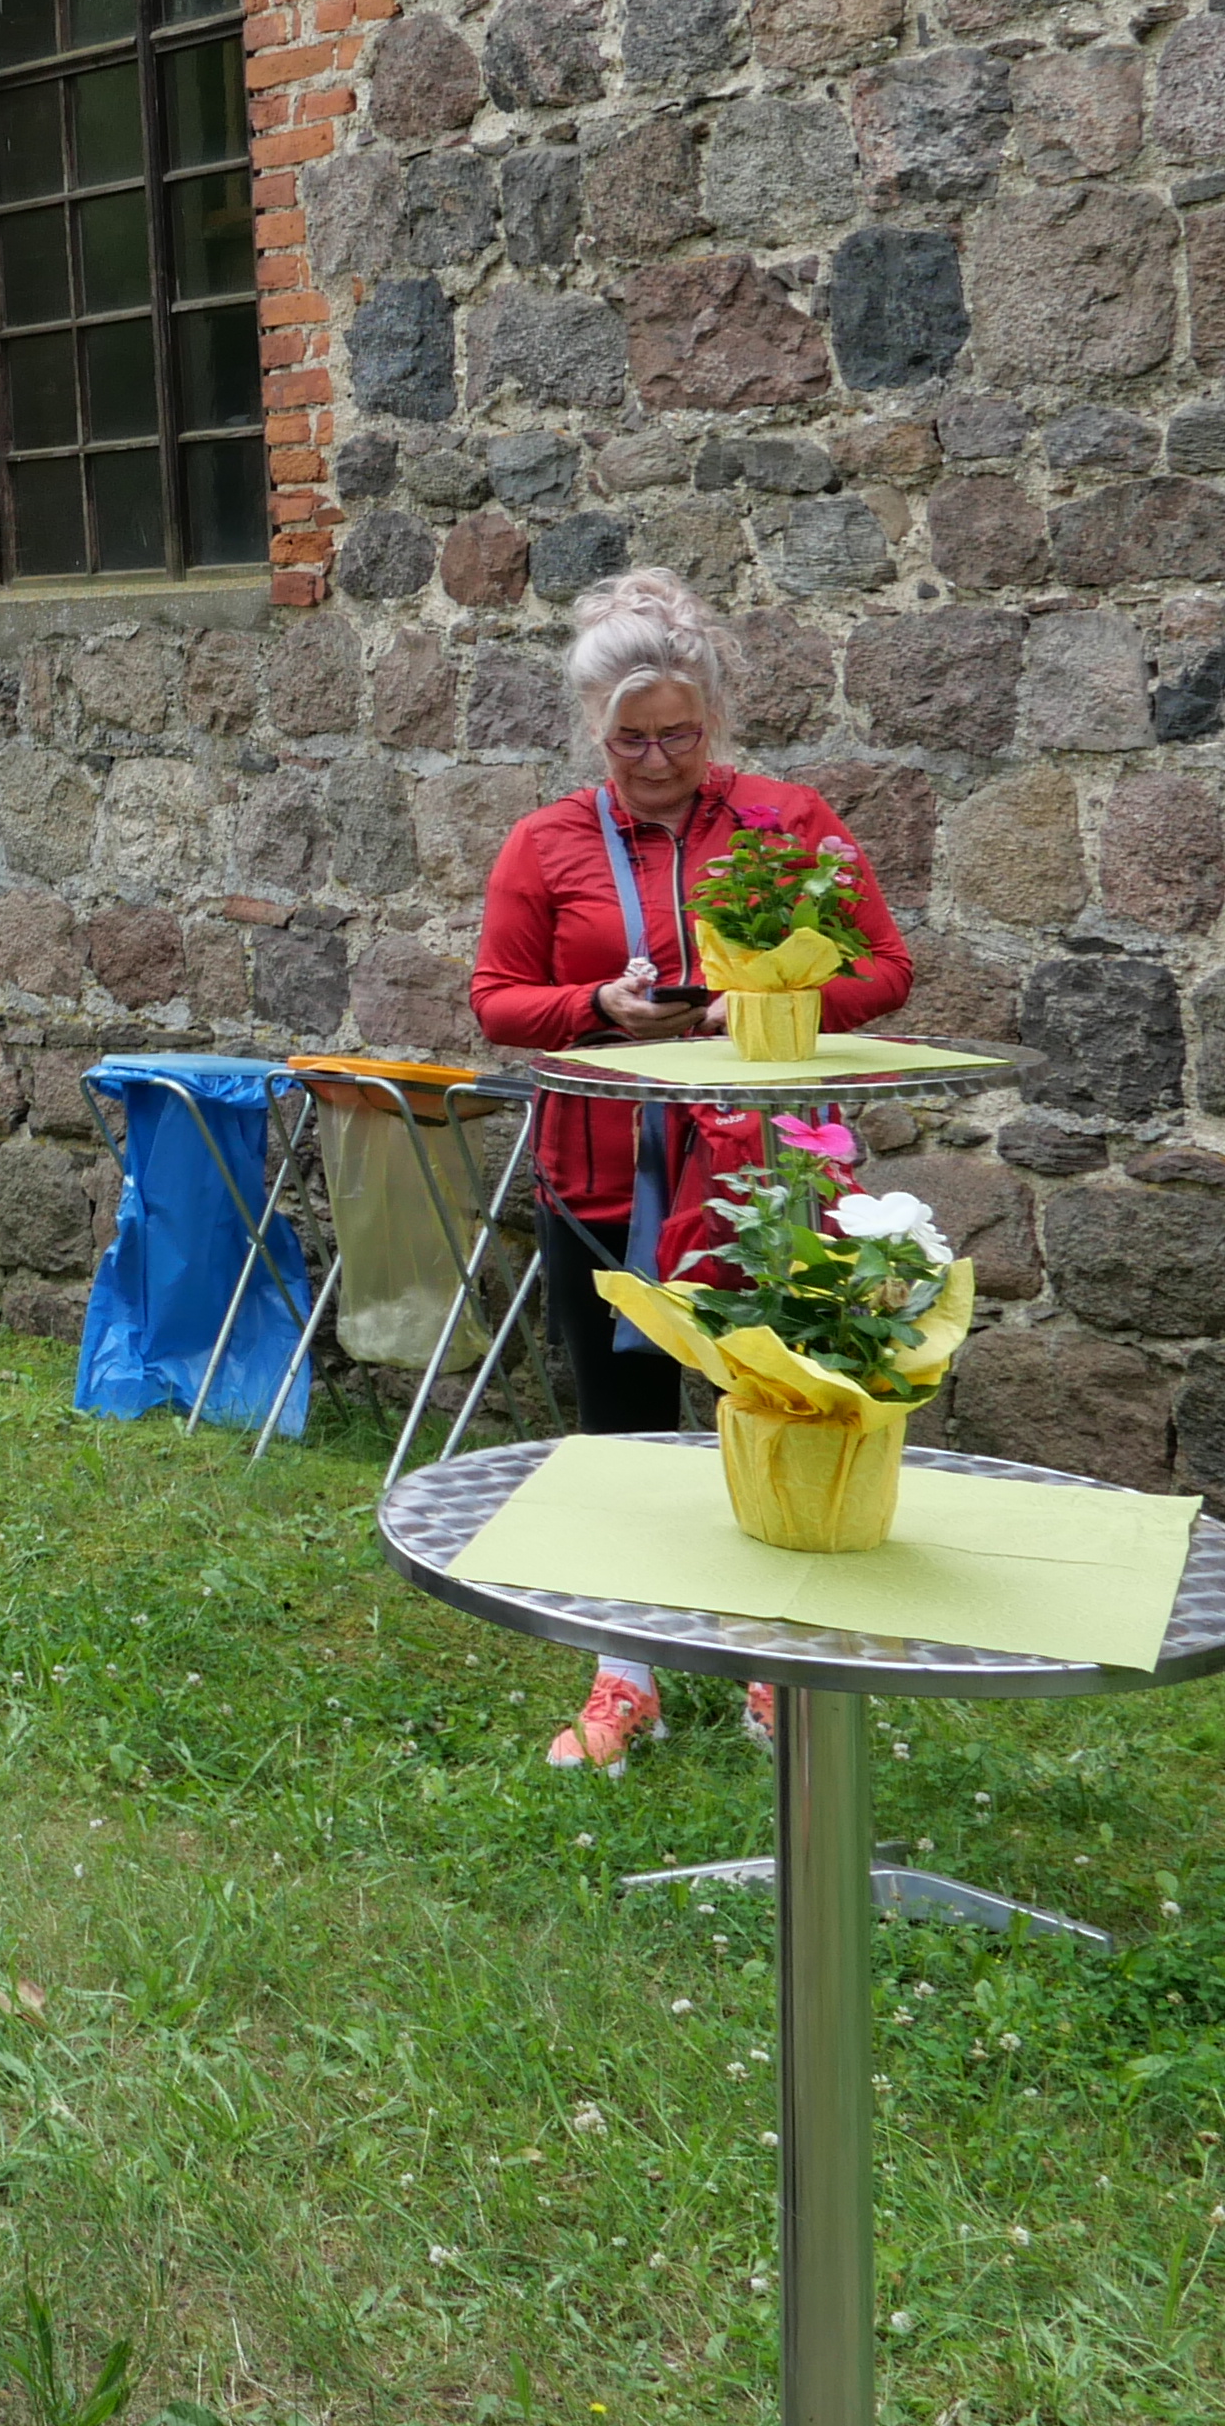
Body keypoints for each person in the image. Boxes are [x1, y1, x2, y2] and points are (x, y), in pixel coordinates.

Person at [473, 566, 914, 1769]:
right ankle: (627, 1677)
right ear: (592, 732)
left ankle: (778, 1670)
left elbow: (884, 971)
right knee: (617, 1434)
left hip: (764, 1188)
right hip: (603, 1182)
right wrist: (597, 1004)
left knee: (779, 1417)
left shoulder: (786, 821)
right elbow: (496, 1002)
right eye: (628, 741)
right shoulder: (546, 842)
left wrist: (770, 998)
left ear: (711, 722)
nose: (654, 759)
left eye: (675, 735)